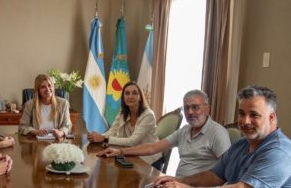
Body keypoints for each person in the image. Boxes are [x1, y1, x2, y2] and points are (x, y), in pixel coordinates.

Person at [152, 86, 291, 188]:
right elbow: (214, 176)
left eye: (254, 115)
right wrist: (179, 180)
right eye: (242, 113)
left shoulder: (280, 152)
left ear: (271, 118)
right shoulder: (241, 144)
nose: (245, 121)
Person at [97, 89, 231, 177]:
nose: (190, 112)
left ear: (208, 109)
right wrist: (120, 152)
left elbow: (228, 171)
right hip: (177, 183)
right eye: (186, 108)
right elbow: (152, 147)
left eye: (195, 107)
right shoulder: (184, 131)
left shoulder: (218, 133)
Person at [88, 81, 162, 166]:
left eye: (134, 93)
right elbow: (113, 131)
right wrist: (99, 137)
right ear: (123, 98)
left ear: (140, 97)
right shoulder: (122, 113)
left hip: (149, 159)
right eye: (127, 93)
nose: (130, 96)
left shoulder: (148, 115)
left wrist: (104, 139)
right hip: (131, 154)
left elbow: (132, 141)